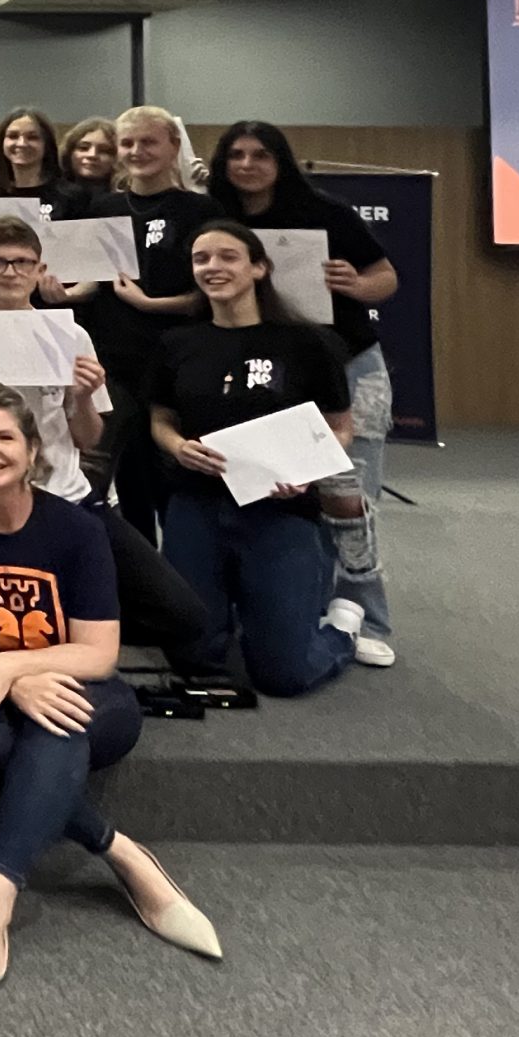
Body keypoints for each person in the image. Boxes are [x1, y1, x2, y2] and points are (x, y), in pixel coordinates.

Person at [0, 383, 218, 991]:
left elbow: (98, 653)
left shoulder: (76, 529)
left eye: (4, 437)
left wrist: (8, 669)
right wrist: (10, 682)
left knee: (60, 720)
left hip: (86, 691)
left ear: (32, 449)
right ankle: (121, 851)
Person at [0, 217, 211, 671]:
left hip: (64, 492)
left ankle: (75, 636)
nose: (10, 272)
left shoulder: (69, 334)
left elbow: (89, 438)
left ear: (40, 270)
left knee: (182, 613)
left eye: (22, 262)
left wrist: (82, 397)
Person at [206, 120, 401, 661]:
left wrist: (356, 284)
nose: (247, 165)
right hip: (269, 372)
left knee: (350, 496)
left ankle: (363, 615)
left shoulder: (326, 211)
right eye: (236, 155)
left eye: (260, 155)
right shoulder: (214, 217)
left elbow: (386, 277)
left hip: (348, 366)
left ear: (281, 161)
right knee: (280, 493)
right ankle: (302, 608)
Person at [147, 223, 365, 696]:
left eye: (228, 257)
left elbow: (340, 428)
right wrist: (178, 446)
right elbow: (161, 419)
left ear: (259, 268)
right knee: (194, 661)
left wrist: (305, 472)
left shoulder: (308, 344)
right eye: (201, 259)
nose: (213, 267)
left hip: (280, 510)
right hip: (196, 504)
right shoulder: (177, 343)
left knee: (283, 676)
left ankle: (341, 629)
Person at [74, 104, 220, 536]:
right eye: (128, 143)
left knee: (173, 473)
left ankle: (182, 564)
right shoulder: (103, 207)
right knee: (123, 475)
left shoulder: (200, 211)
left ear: (174, 146)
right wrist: (65, 293)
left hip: (177, 361)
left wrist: (151, 304)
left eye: (149, 142)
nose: (137, 151)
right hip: (116, 361)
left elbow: (211, 293)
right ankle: (138, 568)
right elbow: (96, 279)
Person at [0, 108, 89, 218]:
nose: (22, 143)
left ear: (47, 145)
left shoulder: (73, 198)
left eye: (32, 137)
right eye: (13, 136)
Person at [60, 117, 119, 203]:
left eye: (104, 151)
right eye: (83, 148)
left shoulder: (126, 201)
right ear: (69, 153)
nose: (92, 155)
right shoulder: (51, 197)